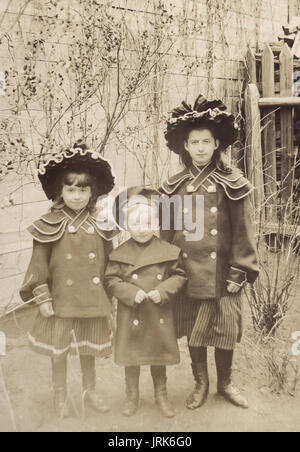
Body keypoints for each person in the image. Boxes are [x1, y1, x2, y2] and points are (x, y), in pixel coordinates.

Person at [160, 94, 259, 410]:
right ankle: (200, 382)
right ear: (185, 147)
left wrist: (239, 270)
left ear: (217, 143)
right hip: (186, 273)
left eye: (206, 141)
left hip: (223, 273)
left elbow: (244, 231)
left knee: (225, 328)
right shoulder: (174, 187)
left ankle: (225, 383)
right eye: (194, 142)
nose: (200, 148)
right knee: (194, 329)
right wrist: (164, 270)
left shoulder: (233, 183)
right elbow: (166, 233)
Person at [19, 141, 117, 418]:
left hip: (92, 299)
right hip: (61, 299)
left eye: (82, 190)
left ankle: (90, 389)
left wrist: (113, 295)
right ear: (60, 191)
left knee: (87, 347)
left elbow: (110, 264)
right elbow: (38, 265)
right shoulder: (48, 224)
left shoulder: (101, 225)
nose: (76, 196)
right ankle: (59, 393)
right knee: (59, 350)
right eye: (70, 189)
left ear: (92, 191)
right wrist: (42, 297)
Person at [104, 187, 187, 418]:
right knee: (132, 358)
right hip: (132, 314)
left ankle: (161, 395)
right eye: (136, 224)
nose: (142, 229)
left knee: (157, 356)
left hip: (157, 311)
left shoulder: (168, 251)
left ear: (156, 223)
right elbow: (110, 280)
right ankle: (132, 396)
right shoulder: (120, 253)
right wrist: (130, 293)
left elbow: (180, 276)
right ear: (127, 226)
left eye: (148, 223)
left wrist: (163, 290)